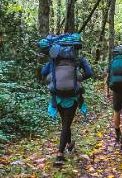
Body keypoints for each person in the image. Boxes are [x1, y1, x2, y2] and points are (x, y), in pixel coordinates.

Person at [39, 34, 93, 166]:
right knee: (66, 124)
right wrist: (79, 78)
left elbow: (43, 72)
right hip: (72, 97)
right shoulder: (78, 60)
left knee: (65, 122)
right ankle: (59, 155)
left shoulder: (53, 60)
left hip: (57, 97)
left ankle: (69, 144)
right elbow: (90, 73)